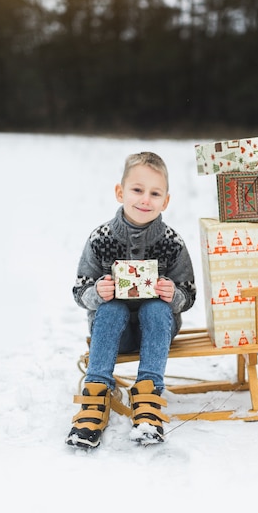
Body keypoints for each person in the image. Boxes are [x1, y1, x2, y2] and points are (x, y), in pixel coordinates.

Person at [66, 151, 196, 449]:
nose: (144, 200)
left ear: (166, 201)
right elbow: (79, 291)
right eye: (137, 190)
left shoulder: (172, 243)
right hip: (115, 333)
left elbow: (188, 294)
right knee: (111, 307)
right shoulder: (100, 238)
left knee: (155, 306)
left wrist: (173, 295)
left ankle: (148, 396)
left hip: (159, 329)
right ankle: (96, 392)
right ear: (120, 192)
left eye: (154, 193)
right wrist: (97, 292)